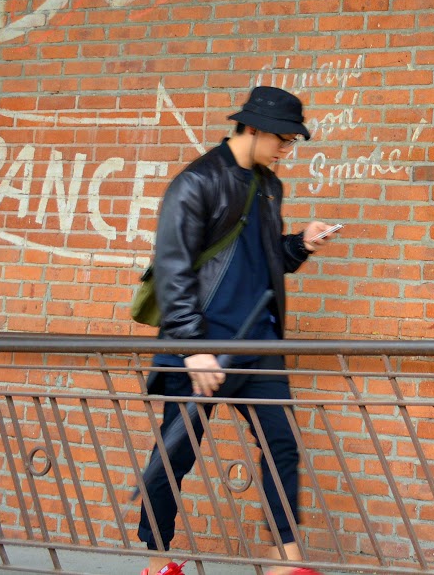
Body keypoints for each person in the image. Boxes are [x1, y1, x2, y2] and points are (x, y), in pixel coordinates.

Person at [136, 86, 335, 575]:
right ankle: (156, 559)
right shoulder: (197, 182)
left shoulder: (269, 187)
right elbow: (173, 268)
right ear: (253, 128)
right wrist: (192, 348)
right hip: (202, 347)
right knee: (174, 456)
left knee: (280, 444)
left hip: (257, 342)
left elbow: (264, 260)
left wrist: (302, 245)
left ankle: (284, 561)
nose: (286, 150)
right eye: (283, 140)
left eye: (291, 141)